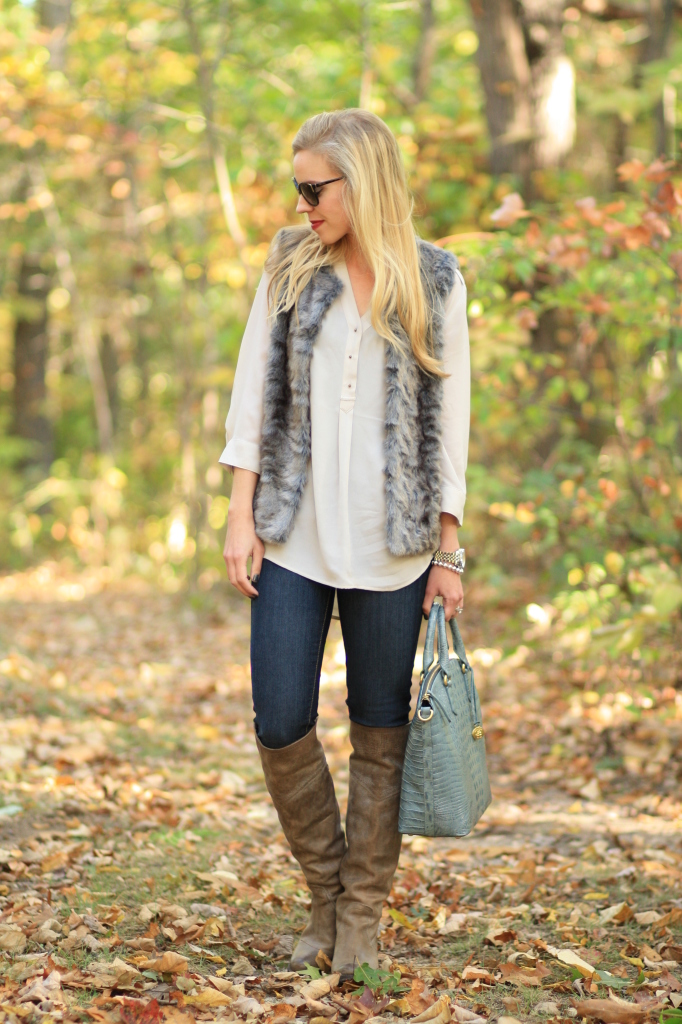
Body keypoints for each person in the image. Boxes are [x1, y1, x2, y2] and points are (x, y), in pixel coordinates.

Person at [220, 109, 470, 977]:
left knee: (379, 729)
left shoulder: (435, 279)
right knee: (280, 719)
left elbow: (451, 422)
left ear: (362, 181)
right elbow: (253, 386)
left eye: (313, 187)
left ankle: (357, 916)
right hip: (294, 534)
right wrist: (237, 512)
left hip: (394, 547)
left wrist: (448, 550)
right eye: (299, 187)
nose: (302, 202)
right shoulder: (291, 262)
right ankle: (323, 892)